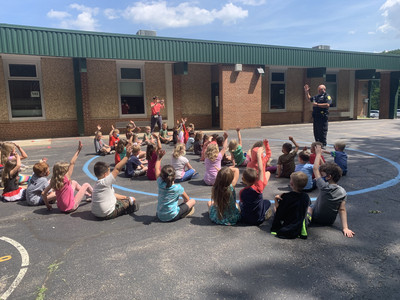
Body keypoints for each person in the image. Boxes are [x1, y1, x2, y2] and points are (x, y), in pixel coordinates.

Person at [308, 145, 355, 238]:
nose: (320, 177)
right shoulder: (343, 192)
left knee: (307, 205)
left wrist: (318, 154)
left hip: (317, 218)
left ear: (328, 177)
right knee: (312, 203)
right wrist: (345, 228)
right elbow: (342, 209)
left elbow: (315, 168)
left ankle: (305, 221)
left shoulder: (324, 187)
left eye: (322, 175)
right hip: (329, 221)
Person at [42, 141, 93, 213]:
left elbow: (43, 193)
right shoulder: (66, 177)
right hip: (71, 207)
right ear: (64, 172)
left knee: (74, 182)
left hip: (60, 208)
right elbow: (72, 163)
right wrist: (78, 150)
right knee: (86, 185)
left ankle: (87, 194)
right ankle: (97, 196)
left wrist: (47, 205)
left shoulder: (54, 180)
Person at [91, 146, 140, 220]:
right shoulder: (106, 182)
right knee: (133, 200)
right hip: (106, 214)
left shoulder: (97, 184)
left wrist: (125, 197)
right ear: (105, 175)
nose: (110, 173)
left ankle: (125, 204)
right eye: (109, 172)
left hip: (95, 213)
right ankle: (127, 209)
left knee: (124, 199)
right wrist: (127, 156)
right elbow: (117, 168)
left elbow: (113, 194)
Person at [155, 149, 196, 222]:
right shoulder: (177, 188)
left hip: (159, 215)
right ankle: (183, 213)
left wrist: (159, 158)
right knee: (192, 201)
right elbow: (187, 199)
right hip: (172, 216)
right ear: (174, 176)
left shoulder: (160, 182)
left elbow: (157, 169)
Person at [271, 171, 310, 239]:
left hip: (287, 221)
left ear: (291, 184)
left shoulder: (286, 196)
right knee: (309, 209)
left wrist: (276, 200)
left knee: (275, 208)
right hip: (298, 219)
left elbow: (280, 211)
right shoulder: (306, 196)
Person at [239, 147, 272, 225]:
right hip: (259, 219)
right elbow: (260, 170)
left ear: (243, 180)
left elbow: (243, 203)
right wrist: (258, 155)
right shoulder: (259, 188)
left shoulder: (242, 192)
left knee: (241, 204)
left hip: (246, 219)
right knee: (267, 202)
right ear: (256, 178)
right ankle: (265, 215)